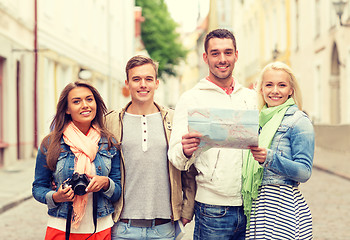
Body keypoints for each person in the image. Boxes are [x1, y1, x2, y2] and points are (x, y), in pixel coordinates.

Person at [168, 28, 257, 240]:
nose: (222, 59)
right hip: (212, 209)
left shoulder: (251, 98)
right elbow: (175, 157)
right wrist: (185, 151)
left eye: (228, 52)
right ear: (205, 57)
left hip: (252, 207)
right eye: (215, 53)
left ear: (236, 54)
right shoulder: (191, 99)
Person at [105, 55, 195, 240]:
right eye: (136, 79)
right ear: (127, 83)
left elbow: (188, 167)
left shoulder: (173, 119)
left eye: (148, 79)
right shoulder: (111, 121)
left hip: (164, 228)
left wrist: (187, 209)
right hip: (122, 227)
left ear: (157, 83)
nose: (143, 84)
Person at [32, 81, 122, 240]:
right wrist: (56, 197)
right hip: (61, 227)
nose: (85, 105)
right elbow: (38, 187)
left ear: (96, 103)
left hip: (100, 228)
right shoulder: (50, 144)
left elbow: (117, 192)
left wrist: (106, 183)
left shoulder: (109, 143)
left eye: (89, 99)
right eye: (76, 101)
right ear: (67, 109)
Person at [243, 62, 314, 239]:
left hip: (283, 208)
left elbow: (304, 172)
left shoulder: (299, 121)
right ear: (261, 89)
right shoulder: (258, 120)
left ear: (291, 90)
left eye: (282, 85)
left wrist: (270, 158)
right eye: (269, 85)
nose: (275, 90)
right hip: (259, 207)